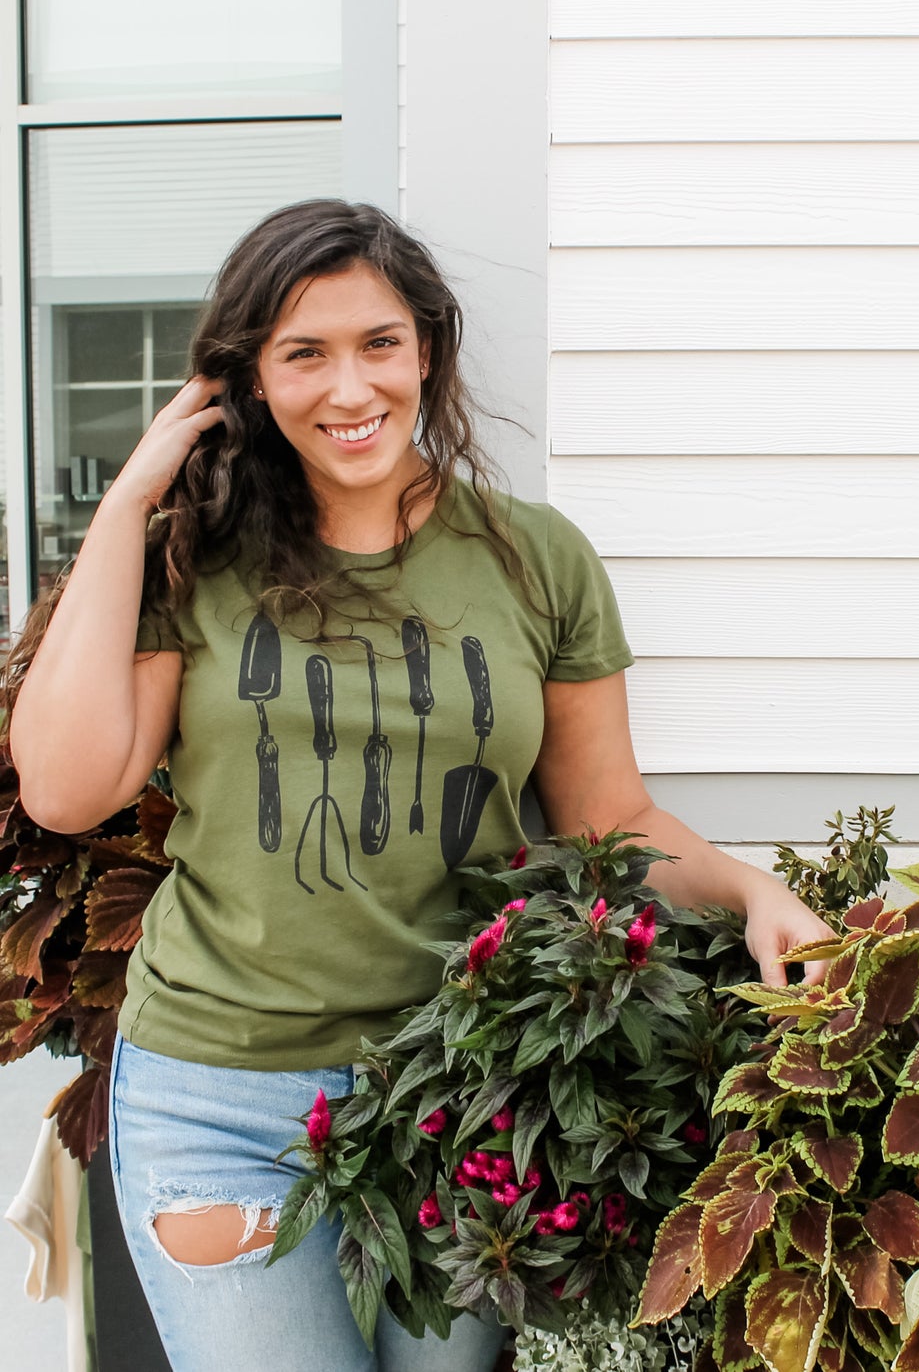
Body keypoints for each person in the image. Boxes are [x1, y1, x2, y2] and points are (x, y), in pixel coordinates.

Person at [2, 200, 830, 1371]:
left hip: (461, 1091)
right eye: (305, 353)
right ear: (247, 379)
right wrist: (131, 502)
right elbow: (65, 788)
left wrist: (752, 890)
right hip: (222, 1092)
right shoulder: (198, 556)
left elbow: (607, 817)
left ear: (427, 350)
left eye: (379, 343)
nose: (351, 388)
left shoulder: (533, 557)